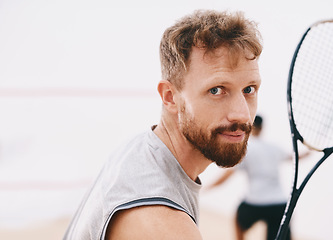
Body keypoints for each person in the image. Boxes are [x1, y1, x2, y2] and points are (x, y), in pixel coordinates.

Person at [63, 9, 263, 240]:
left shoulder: (140, 150)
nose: (242, 114)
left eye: (249, 89)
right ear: (170, 97)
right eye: (216, 90)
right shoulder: (164, 224)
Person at [208, 115, 305, 240]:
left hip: (255, 202)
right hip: (279, 204)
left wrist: (208, 186)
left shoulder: (245, 148)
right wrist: (311, 151)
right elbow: (295, 157)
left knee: (239, 220)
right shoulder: (273, 147)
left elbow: (228, 174)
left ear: (249, 127)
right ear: (262, 128)